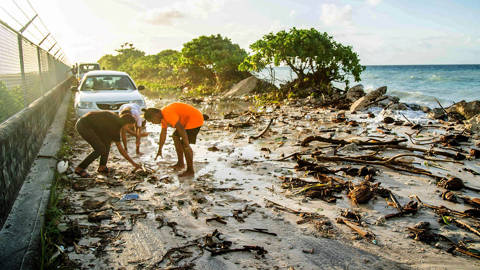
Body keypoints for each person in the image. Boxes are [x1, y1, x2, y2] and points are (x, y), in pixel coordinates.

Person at [74, 110, 142, 177]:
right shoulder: (115, 127)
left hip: (93, 126)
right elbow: (121, 149)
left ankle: (102, 167)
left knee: (107, 143)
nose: (129, 129)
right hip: (84, 126)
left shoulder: (117, 120)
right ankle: (80, 168)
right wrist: (133, 163)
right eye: (129, 127)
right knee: (100, 149)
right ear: (125, 123)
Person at [143, 103, 204, 177]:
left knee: (184, 144)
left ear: (156, 115)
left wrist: (186, 144)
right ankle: (180, 163)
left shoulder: (167, 114)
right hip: (186, 121)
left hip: (195, 119)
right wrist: (159, 150)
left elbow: (180, 129)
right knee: (175, 136)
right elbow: (163, 134)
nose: (153, 123)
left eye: (152, 121)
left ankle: (190, 170)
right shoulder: (163, 118)